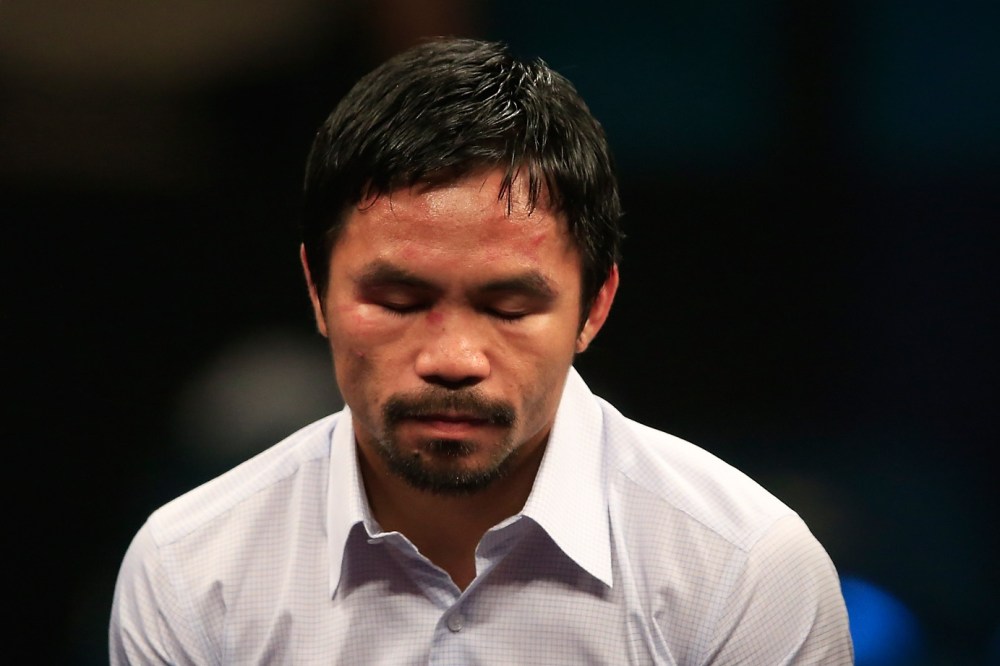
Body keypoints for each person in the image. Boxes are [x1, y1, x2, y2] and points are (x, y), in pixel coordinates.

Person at [110, 37, 854, 664]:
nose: (455, 357)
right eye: (397, 302)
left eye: (509, 307)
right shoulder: (189, 570)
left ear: (595, 306)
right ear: (315, 290)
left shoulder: (744, 570)